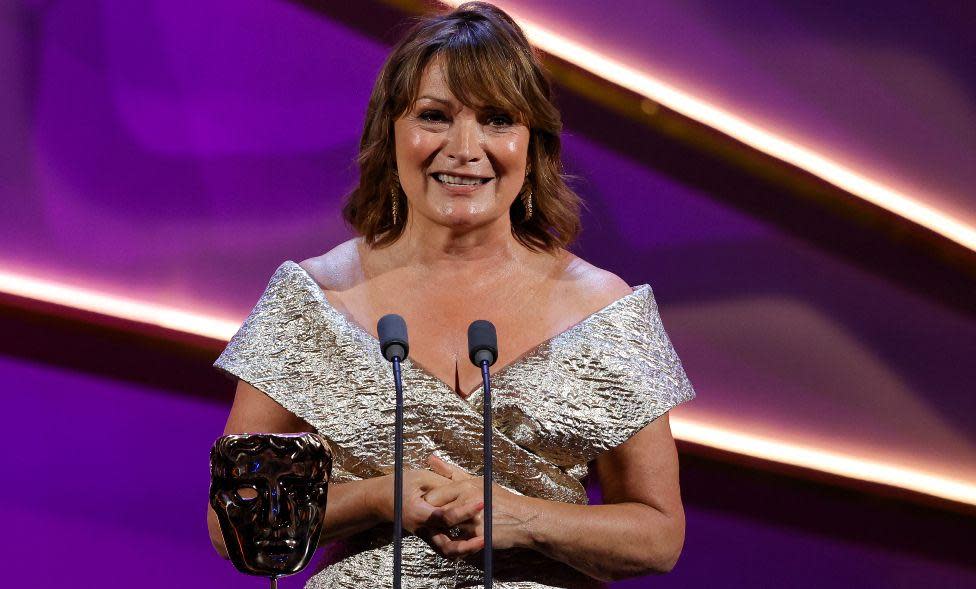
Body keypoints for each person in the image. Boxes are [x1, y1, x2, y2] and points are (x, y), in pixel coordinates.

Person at [206, 2, 696, 587]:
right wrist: (379, 497)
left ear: (532, 144)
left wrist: (525, 519)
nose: (464, 148)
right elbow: (232, 518)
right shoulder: (315, 299)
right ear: (392, 131)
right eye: (435, 116)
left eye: (496, 120)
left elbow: (659, 536)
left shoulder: (604, 311)